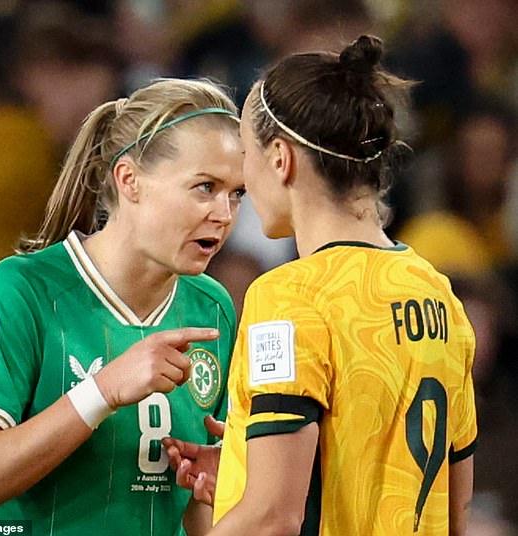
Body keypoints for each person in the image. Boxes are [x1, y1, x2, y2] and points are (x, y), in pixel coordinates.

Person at [164, 35, 477, 535]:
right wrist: (249, 467)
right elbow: (453, 509)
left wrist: (261, 496)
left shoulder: (289, 298)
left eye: (247, 151)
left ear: (280, 158)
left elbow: (272, 518)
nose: (244, 175)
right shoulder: (439, 294)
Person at [0, 77, 245, 535]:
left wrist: (224, 492)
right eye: (205, 187)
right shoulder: (18, 292)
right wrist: (101, 391)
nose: (224, 213)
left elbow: (194, 512)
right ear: (129, 180)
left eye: (237, 193)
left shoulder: (212, 306)